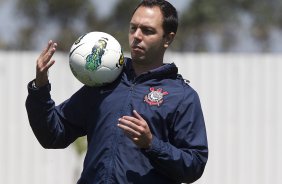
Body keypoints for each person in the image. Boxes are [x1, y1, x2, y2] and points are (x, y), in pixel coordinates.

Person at [25, 0, 208, 183]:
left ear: (167, 38)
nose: (136, 36)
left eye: (147, 30)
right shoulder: (104, 80)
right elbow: (53, 135)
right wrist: (40, 88)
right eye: (133, 28)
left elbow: (194, 165)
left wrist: (152, 144)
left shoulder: (182, 96)